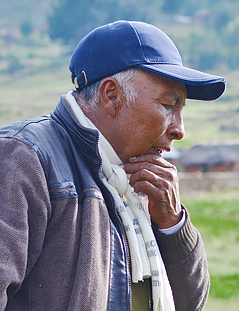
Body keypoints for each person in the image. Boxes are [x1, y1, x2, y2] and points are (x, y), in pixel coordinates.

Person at [0, 21, 226, 311]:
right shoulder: (23, 158)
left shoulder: (133, 179)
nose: (179, 129)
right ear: (111, 96)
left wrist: (172, 224)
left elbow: (189, 305)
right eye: (169, 105)